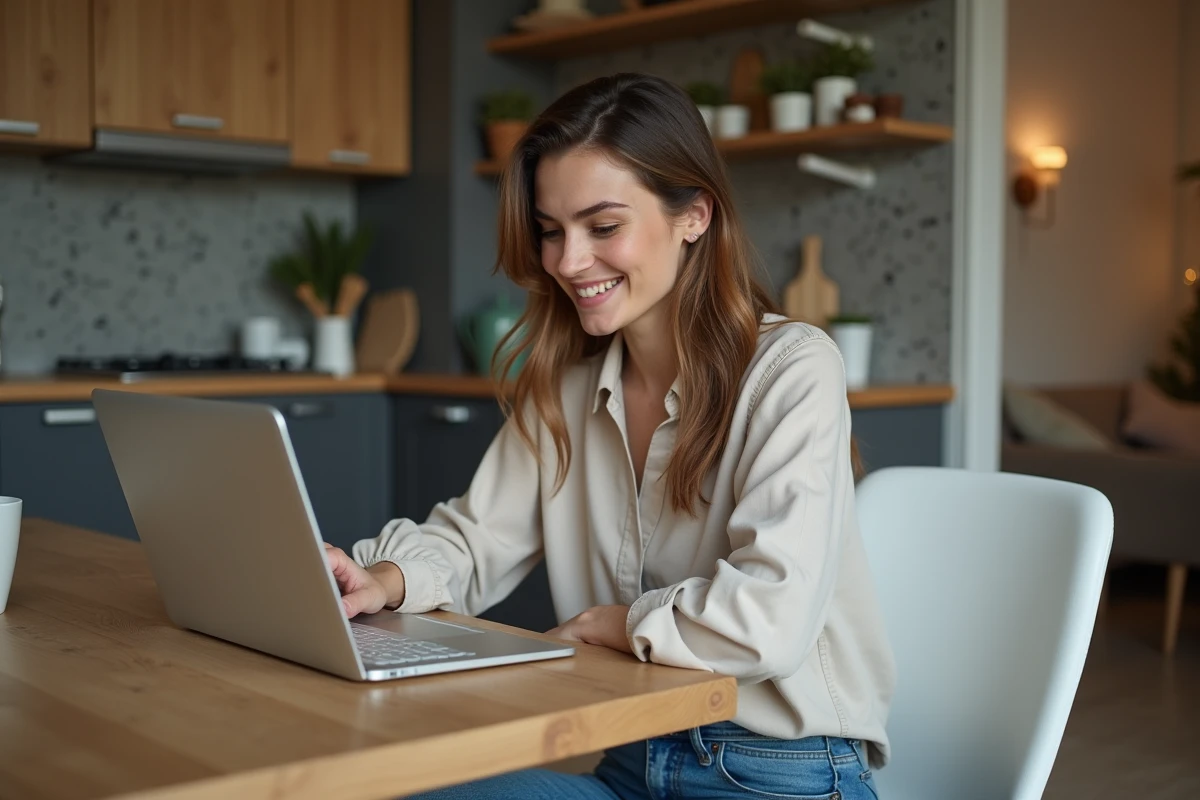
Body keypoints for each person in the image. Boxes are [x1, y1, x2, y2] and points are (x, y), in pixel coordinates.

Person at [323, 73, 894, 800]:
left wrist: (626, 625)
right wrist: (385, 579)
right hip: (626, 759)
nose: (566, 262)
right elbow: (474, 539)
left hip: (776, 772)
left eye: (602, 227)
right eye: (552, 231)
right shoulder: (564, 386)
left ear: (694, 215)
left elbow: (770, 618)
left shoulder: (791, 367)